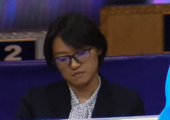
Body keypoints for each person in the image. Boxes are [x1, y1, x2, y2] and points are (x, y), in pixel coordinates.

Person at [16, 13, 144, 120]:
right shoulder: (36, 101)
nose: (74, 64)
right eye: (62, 58)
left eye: (81, 53)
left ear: (98, 48)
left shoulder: (127, 102)